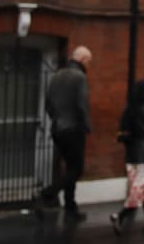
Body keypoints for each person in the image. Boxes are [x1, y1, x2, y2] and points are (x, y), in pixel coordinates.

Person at [34, 45, 92, 222]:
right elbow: (82, 106)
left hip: (58, 128)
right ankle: (46, 195)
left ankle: (70, 207)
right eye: (89, 62)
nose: (89, 65)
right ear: (82, 60)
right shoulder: (79, 77)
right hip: (73, 129)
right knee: (76, 169)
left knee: (70, 168)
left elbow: (49, 103)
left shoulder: (57, 75)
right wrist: (87, 126)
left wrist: (56, 120)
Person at [110, 79, 144, 236]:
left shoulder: (128, 111)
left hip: (132, 156)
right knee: (141, 189)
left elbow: (123, 136)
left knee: (143, 187)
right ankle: (119, 216)